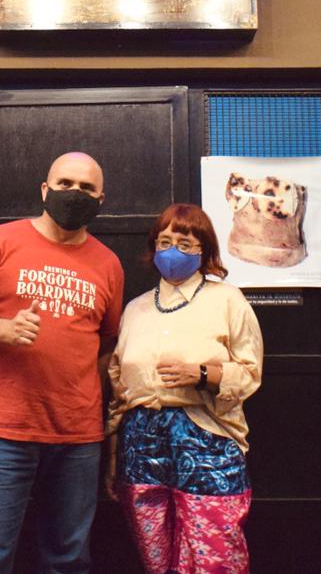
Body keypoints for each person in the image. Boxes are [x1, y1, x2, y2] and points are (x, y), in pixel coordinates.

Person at [0, 151, 125, 574]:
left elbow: (106, 345)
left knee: (68, 561)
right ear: (44, 189)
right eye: (64, 184)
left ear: (100, 200)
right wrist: (3, 330)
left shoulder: (109, 264)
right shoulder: (0, 241)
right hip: (3, 433)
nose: (74, 193)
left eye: (86, 188)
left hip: (78, 438)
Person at [105, 203, 263, 574]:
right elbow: (118, 390)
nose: (173, 250)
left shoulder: (227, 300)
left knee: (215, 556)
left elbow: (250, 372)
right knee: (154, 557)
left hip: (208, 440)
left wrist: (203, 374)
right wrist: (112, 457)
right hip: (140, 447)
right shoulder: (135, 310)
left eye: (185, 243)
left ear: (204, 251)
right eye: (164, 242)